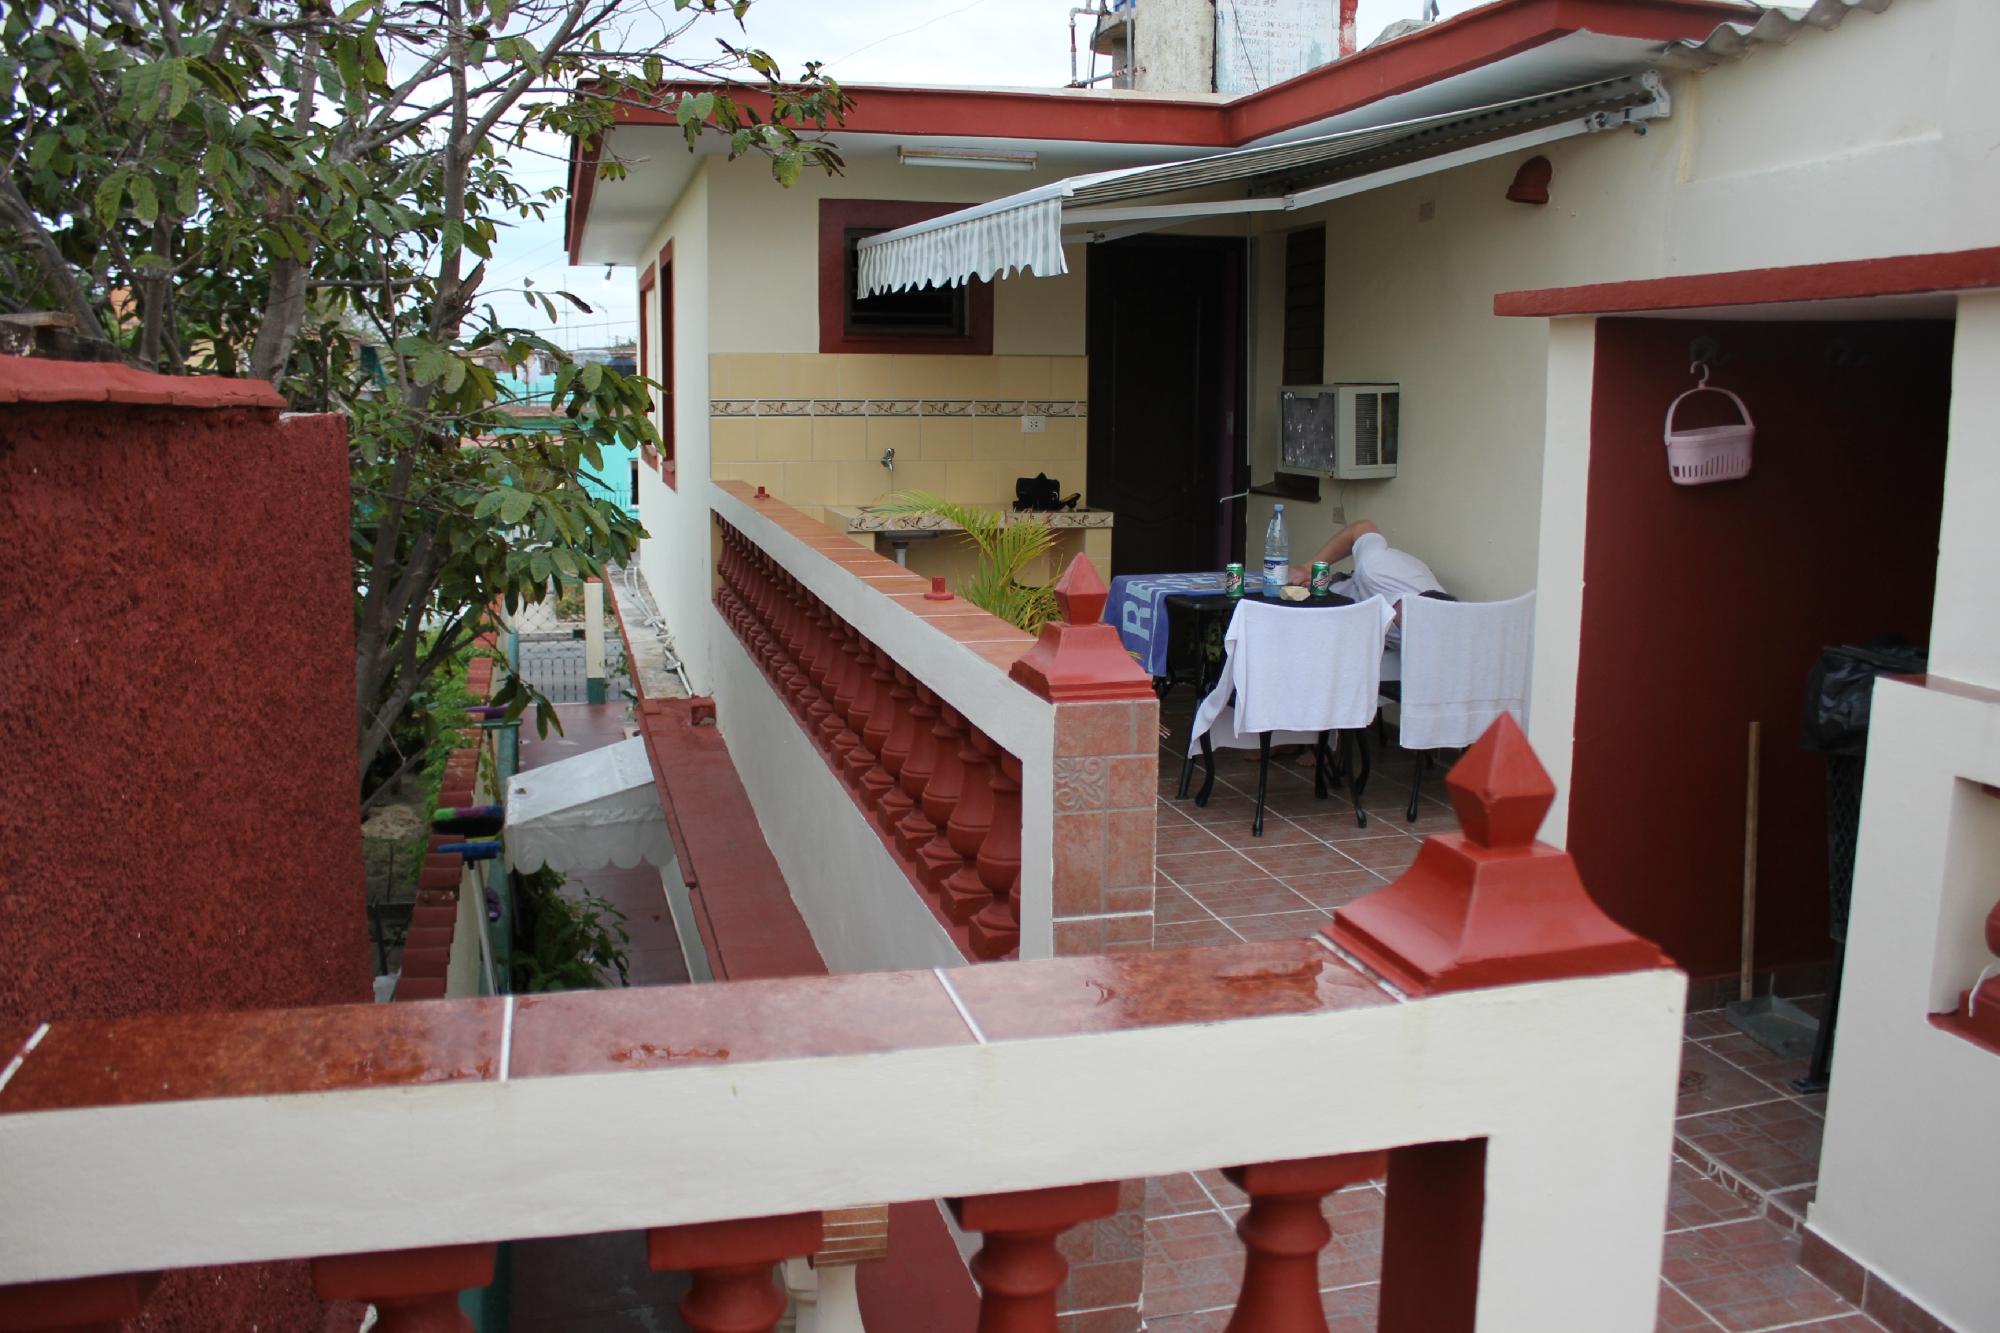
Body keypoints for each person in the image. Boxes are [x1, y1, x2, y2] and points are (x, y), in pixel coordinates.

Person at [1288, 520, 1444, 642]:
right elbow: (1361, 528)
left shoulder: (1444, 620)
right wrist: (1308, 568)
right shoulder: (1376, 569)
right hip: (1339, 593)